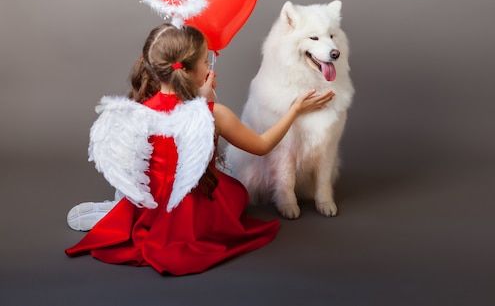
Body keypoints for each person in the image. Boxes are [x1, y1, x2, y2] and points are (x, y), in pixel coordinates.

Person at [65, 23, 334, 276]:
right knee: (235, 194)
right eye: (206, 61)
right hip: (190, 216)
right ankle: (123, 208)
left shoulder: (138, 109)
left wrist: (197, 97)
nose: (209, 65)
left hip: (150, 204)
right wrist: (295, 110)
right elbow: (262, 146)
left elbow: (164, 132)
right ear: (189, 71)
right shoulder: (215, 115)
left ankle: (121, 210)